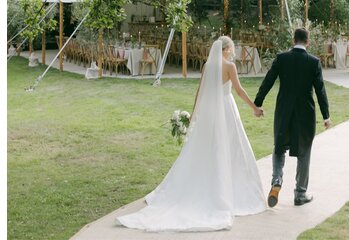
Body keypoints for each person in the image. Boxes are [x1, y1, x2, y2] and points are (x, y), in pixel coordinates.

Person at [117, 36, 266, 231]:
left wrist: (195, 114)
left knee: (207, 146)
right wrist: (254, 108)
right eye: (231, 48)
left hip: (209, 110)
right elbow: (238, 91)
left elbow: (200, 91)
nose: (232, 51)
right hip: (226, 109)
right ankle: (228, 189)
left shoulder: (207, 66)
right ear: (227, 49)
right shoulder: (229, 66)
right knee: (230, 146)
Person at [254, 27, 331, 207]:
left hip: (284, 111)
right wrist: (326, 116)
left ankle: (276, 180)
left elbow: (268, 80)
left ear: (293, 40)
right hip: (305, 114)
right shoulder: (314, 62)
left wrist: (258, 102)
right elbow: (320, 90)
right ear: (308, 42)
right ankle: (300, 194)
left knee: (279, 147)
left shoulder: (282, 58)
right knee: (304, 151)